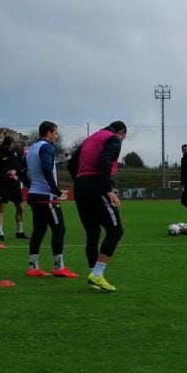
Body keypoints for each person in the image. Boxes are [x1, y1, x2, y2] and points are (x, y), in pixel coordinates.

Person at [70, 121, 127, 292]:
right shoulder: (113, 139)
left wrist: (82, 181)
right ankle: (97, 274)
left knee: (92, 232)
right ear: (121, 132)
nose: (123, 139)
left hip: (80, 188)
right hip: (96, 187)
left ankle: (94, 276)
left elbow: (72, 164)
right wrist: (107, 189)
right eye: (124, 136)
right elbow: (105, 161)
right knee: (115, 231)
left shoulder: (89, 139)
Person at [25, 121, 76, 278]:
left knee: (39, 231)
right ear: (48, 133)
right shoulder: (47, 148)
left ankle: (33, 267)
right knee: (59, 229)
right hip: (47, 197)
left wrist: (31, 186)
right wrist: (56, 191)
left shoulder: (32, 148)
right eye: (55, 133)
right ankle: (59, 267)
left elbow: (21, 170)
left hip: (34, 195)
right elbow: (47, 168)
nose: (56, 136)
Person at [0, 135, 29, 242]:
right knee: (1, 208)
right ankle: (0, 234)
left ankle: (20, 232)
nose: (11, 147)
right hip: (4, 185)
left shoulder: (16, 152)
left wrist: (17, 173)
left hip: (15, 185)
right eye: (9, 145)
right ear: (5, 144)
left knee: (21, 208)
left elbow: (21, 166)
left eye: (12, 145)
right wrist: (6, 174)